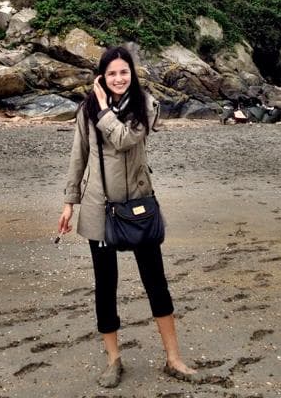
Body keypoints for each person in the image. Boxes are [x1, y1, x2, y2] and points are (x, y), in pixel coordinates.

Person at [57, 46, 199, 388]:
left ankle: (174, 359)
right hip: (98, 208)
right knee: (105, 286)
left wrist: (103, 106)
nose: (119, 78)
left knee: (156, 282)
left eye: (124, 72)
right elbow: (79, 155)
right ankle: (113, 360)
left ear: (132, 74)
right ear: (102, 77)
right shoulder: (86, 110)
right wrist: (69, 202)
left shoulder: (144, 105)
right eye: (112, 73)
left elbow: (122, 139)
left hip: (138, 207)